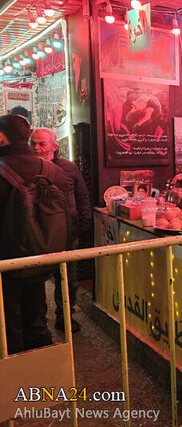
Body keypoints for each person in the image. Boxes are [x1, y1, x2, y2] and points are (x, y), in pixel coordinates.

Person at [0, 115, 70, 354]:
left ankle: (14, 377)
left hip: (6, 262)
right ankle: (42, 374)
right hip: (43, 258)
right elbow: (69, 215)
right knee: (37, 313)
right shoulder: (54, 171)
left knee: (8, 321)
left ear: (1, 137)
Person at [30, 128, 91, 333]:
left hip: (68, 234)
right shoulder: (28, 168)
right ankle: (39, 323)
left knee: (69, 279)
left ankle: (64, 317)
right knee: (37, 281)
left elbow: (82, 198)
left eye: (41, 144)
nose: (37, 148)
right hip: (38, 235)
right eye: (34, 144)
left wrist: (84, 227)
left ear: (54, 147)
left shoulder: (69, 168)